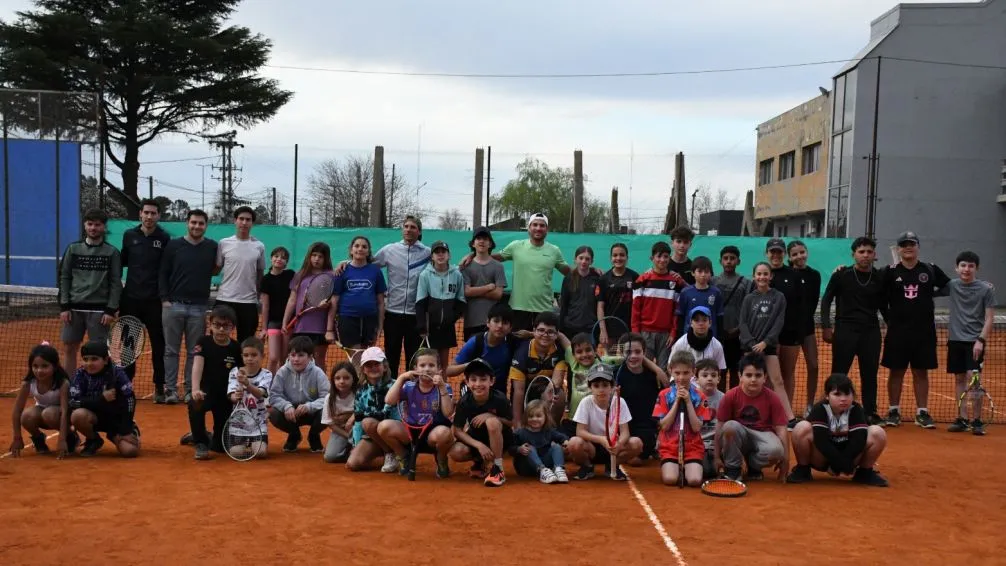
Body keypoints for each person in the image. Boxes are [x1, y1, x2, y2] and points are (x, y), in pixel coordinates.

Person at [880, 231, 950, 429]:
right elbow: (878, 295)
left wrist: (932, 294)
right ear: (899, 249)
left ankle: (922, 412)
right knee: (896, 372)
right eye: (904, 244)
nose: (908, 247)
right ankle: (893, 410)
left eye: (912, 243)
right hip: (897, 332)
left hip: (924, 332)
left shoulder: (930, 269)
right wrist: (888, 318)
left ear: (918, 246)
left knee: (921, 373)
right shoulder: (890, 271)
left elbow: (950, 286)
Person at [820, 237, 887, 426]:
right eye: (861, 251)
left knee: (870, 373)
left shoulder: (880, 277)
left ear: (874, 255)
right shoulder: (841, 275)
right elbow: (826, 300)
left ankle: (870, 412)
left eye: (869, 252)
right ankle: (832, 409)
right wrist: (826, 326)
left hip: (871, 332)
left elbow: (884, 305)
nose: (865, 255)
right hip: (845, 331)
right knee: (839, 373)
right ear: (853, 254)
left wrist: (892, 327)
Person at [786, 374, 889, 487]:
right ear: (827, 395)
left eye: (847, 394)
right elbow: (821, 441)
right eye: (837, 394)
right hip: (822, 459)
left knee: (877, 432)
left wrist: (844, 464)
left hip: (850, 458)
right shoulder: (820, 409)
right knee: (801, 427)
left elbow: (859, 440)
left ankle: (864, 473)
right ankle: (803, 470)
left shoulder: (856, 409)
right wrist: (838, 465)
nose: (843, 399)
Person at [159, 209, 218, 404]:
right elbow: (163, 273)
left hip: (199, 308)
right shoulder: (174, 245)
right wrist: (165, 300)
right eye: (194, 222)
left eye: (201, 223)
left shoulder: (212, 247)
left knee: (195, 351)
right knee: (171, 350)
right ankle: (170, 391)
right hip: (173, 305)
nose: (197, 226)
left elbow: (216, 268)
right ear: (187, 223)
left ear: (206, 226)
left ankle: (189, 389)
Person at [58, 208, 121, 373]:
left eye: (98, 225)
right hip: (73, 310)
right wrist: (64, 306)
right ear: (85, 226)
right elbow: (64, 277)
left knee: (99, 352)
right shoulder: (73, 249)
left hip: (100, 312)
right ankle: (70, 388)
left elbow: (115, 283)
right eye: (90, 224)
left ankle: (99, 389)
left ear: (104, 227)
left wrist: (110, 309)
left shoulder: (112, 252)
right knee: (70, 348)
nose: (93, 228)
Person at [119, 198, 170, 402]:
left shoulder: (164, 238)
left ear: (158, 216)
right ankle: (126, 384)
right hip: (130, 300)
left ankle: (159, 386)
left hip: (155, 302)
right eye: (146, 212)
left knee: (159, 345)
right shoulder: (129, 236)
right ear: (140, 214)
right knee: (128, 346)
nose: (149, 216)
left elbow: (166, 270)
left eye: (153, 213)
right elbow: (121, 263)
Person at [485, 213, 569, 332]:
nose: (538, 228)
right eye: (535, 225)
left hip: (544, 310)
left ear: (547, 229)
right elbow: (494, 258)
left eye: (542, 225)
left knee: (543, 347)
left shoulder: (554, 251)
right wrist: (473, 255)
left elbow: (569, 272)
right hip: (518, 308)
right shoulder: (516, 246)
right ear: (529, 228)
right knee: (517, 347)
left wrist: (590, 270)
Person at [380, 348, 455, 480]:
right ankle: (404, 457)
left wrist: (442, 387)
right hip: (410, 432)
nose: (427, 369)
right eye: (422, 365)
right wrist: (401, 378)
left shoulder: (445, 387)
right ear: (415, 368)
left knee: (445, 433)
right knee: (383, 427)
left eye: (431, 365)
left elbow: (448, 412)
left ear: (439, 370)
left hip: (433, 433)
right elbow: (389, 400)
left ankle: (441, 460)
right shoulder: (408, 386)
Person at [713, 352, 788, 482]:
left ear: (765, 377)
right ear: (740, 376)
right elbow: (719, 427)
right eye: (748, 375)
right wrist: (716, 457)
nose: (753, 379)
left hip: (763, 434)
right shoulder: (730, 396)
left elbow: (781, 429)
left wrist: (785, 460)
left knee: (776, 450)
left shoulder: (773, 397)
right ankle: (733, 469)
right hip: (739, 434)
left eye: (758, 375)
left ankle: (753, 466)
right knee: (730, 427)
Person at [370, 215, 431, 376]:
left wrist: (469, 257)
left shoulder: (428, 253)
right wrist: (346, 263)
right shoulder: (390, 250)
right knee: (391, 356)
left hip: (415, 316)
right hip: (392, 314)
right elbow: (366, 264)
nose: (408, 229)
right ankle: (392, 392)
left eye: (413, 227)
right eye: (406, 226)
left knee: (413, 358)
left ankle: (411, 392)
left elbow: (444, 266)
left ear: (419, 231)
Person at [739, 261, 796, 426]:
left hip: (768, 346)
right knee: (749, 381)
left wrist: (765, 342)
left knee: (777, 380)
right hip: (750, 347)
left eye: (765, 274)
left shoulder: (778, 297)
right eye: (759, 274)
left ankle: (790, 417)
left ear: (771, 276)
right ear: (754, 277)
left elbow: (779, 321)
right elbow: (743, 322)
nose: (762, 277)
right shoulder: (749, 298)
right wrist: (751, 343)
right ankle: (745, 414)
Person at [946, 251, 995, 435]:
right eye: (963, 265)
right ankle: (962, 418)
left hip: (975, 342)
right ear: (956, 268)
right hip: (955, 341)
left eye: (971, 266)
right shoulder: (952, 285)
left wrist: (980, 340)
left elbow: (990, 318)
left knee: (974, 381)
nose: (966, 269)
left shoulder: (986, 289)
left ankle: (976, 420)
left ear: (977, 268)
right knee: (959, 380)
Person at [566, 364, 642, 480]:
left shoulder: (619, 402)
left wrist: (619, 444)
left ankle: (612, 466)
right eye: (596, 386)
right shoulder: (586, 402)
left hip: (613, 446)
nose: (601, 390)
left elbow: (625, 432)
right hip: (592, 446)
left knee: (636, 443)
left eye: (605, 385)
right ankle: (587, 466)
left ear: (612, 386)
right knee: (574, 443)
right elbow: (580, 432)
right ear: (590, 387)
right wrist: (601, 439)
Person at [187, 305, 243, 460]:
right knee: (195, 403)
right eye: (217, 325)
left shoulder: (236, 348)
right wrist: (195, 389)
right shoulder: (203, 342)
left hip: (226, 397)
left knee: (220, 447)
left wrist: (237, 392)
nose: (221, 329)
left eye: (226, 326)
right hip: (206, 392)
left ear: (232, 327)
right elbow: (197, 366)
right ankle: (200, 442)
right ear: (210, 324)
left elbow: (241, 373)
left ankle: (201, 435)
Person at [448, 358, 514, 486]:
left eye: (483, 379)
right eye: (473, 379)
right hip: (478, 438)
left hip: (502, 441)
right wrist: (478, 445)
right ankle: (479, 462)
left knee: (492, 422)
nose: (478, 384)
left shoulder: (500, 399)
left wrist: (490, 415)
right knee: (456, 452)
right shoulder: (464, 401)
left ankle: (498, 468)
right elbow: (457, 430)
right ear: (467, 382)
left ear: (492, 381)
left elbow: (510, 423)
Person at [69, 341, 139, 458]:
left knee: (130, 451)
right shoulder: (80, 375)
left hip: (115, 420)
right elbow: (72, 402)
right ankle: (94, 440)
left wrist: (125, 429)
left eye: (94, 359)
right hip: (93, 418)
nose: (89, 363)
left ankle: (131, 430)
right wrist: (101, 399)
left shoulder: (117, 373)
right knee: (77, 415)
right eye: (85, 359)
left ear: (106, 360)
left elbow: (130, 399)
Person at [653, 350, 710, 487]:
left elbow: (697, 427)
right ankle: (678, 467)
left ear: (693, 372)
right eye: (677, 373)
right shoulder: (664, 395)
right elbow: (664, 426)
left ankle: (690, 467)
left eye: (686, 373)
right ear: (670, 370)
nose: (681, 377)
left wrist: (689, 401)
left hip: (692, 447)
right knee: (670, 479)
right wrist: (677, 401)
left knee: (695, 481)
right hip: (670, 446)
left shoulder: (700, 397)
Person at [8, 342, 74, 458]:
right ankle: (39, 439)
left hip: (60, 417)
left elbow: (65, 412)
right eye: (35, 366)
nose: (39, 370)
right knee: (26, 416)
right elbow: (17, 411)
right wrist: (17, 437)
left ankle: (71, 437)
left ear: (55, 366)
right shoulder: (27, 384)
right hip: (42, 413)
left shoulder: (63, 383)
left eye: (44, 366)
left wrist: (62, 439)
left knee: (48, 413)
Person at [555, 331, 625, 437]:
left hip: (596, 420)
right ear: (573, 355)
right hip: (575, 418)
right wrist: (531, 333)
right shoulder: (574, 362)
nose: (584, 355)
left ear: (595, 350)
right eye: (579, 352)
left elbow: (624, 360)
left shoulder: (602, 365)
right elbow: (561, 337)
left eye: (588, 350)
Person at [764, 238, 805, 419]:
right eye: (772, 251)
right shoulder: (762, 275)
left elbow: (800, 304)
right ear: (767, 254)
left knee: (787, 373)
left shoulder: (794, 275)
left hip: (789, 332)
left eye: (779, 251)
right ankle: (766, 410)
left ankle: (785, 412)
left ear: (784, 254)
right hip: (766, 334)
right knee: (768, 376)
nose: (775, 255)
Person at [268, 336, 330, 453]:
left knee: (328, 411)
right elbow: (274, 396)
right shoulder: (282, 372)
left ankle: (314, 435)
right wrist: (286, 406)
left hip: (313, 412)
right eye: (293, 355)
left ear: (310, 357)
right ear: (288, 356)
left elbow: (327, 397)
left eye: (301, 355)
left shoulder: (318, 373)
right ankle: (294, 434)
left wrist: (309, 406)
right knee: (273, 413)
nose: (296, 359)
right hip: (290, 413)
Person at [614, 332, 668, 464]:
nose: (633, 356)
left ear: (644, 353)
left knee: (635, 460)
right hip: (623, 427)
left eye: (638, 352)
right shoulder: (616, 375)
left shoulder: (654, 375)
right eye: (628, 352)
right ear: (622, 353)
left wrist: (657, 369)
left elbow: (666, 387)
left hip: (646, 429)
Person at [632, 241, 688, 369]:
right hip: (645, 333)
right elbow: (635, 310)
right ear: (652, 258)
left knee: (665, 369)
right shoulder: (642, 280)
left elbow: (676, 311)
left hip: (666, 335)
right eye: (659, 256)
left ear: (669, 258)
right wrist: (636, 334)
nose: (662, 260)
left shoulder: (675, 281)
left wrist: (673, 333)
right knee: (645, 368)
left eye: (666, 257)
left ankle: (663, 390)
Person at [214, 206, 266, 342]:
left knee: (246, 342)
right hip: (224, 300)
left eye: (248, 220)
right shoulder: (223, 243)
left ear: (252, 223)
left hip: (248, 302)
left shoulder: (259, 246)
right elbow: (217, 268)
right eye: (241, 219)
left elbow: (260, 272)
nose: (244, 222)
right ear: (235, 221)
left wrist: (259, 294)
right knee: (219, 339)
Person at [283, 242, 337, 369]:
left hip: (320, 327)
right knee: (299, 361)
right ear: (309, 256)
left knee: (319, 361)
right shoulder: (300, 275)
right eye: (314, 255)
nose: (316, 259)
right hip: (300, 327)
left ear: (326, 258)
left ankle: (322, 389)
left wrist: (327, 304)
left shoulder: (332, 276)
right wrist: (285, 321)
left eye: (320, 256)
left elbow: (334, 301)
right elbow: (292, 300)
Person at [508, 312, 568, 426]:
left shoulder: (559, 352)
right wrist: (517, 422)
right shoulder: (522, 353)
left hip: (545, 393)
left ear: (556, 335)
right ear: (534, 330)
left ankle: (551, 430)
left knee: (558, 395)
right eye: (541, 330)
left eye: (550, 332)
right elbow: (518, 391)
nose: (545, 335)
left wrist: (548, 395)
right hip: (525, 395)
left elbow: (556, 381)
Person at [346, 347, 400, 473]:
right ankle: (386, 452)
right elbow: (358, 422)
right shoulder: (361, 391)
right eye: (368, 365)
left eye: (377, 364)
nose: (373, 368)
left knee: (368, 422)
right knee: (352, 464)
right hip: (374, 435)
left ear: (385, 367)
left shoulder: (395, 386)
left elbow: (384, 414)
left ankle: (394, 453)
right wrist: (356, 444)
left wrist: (362, 416)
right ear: (363, 369)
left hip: (394, 433)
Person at [447, 303, 520, 395]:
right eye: (496, 321)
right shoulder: (475, 342)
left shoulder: (512, 342)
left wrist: (531, 334)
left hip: (498, 391)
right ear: (488, 322)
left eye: (505, 323)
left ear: (510, 327)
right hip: (474, 389)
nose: (500, 326)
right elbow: (449, 370)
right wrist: (470, 364)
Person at [415, 240, 466, 371]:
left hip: (447, 328)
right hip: (429, 329)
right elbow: (420, 302)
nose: (440, 255)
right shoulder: (425, 275)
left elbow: (461, 300)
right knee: (429, 364)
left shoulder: (457, 275)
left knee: (443, 366)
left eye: (443, 252)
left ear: (449, 255)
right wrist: (422, 326)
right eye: (437, 252)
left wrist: (452, 318)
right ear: (432, 256)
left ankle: (442, 391)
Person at [329, 236, 386, 349]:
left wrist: (380, 327)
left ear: (368, 252)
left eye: (364, 247)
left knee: (367, 356)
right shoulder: (342, 271)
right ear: (351, 250)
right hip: (347, 319)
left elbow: (380, 302)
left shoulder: (375, 271)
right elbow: (334, 301)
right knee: (355, 355)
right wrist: (329, 329)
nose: (360, 249)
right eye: (357, 246)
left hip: (370, 320)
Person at [788, 240, 822, 418]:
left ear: (806, 252)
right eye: (794, 254)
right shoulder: (787, 274)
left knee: (814, 366)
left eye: (801, 252)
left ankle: (810, 405)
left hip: (807, 328)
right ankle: (787, 408)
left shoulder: (815, 275)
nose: (799, 256)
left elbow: (813, 301)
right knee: (789, 370)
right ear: (789, 257)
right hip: (790, 330)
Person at [226, 336, 273, 459]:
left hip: (258, 424)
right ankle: (246, 444)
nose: (250, 358)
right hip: (238, 425)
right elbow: (231, 397)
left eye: (254, 355)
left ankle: (253, 444)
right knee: (236, 453)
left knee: (261, 453)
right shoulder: (234, 372)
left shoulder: (266, 374)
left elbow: (260, 393)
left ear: (262, 356)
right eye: (246, 355)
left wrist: (247, 384)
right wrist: (236, 396)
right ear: (242, 356)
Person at [461, 226, 506, 341]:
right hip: (471, 321)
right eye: (478, 238)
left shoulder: (498, 266)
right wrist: (489, 287)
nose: (482, 241)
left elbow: (498, 294)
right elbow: (467, 292)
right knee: (472, 357)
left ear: (490, 244)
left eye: (485, 239)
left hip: (493, 323)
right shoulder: (465, 266)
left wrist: (475, 291)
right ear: (473, 244)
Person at [511, 399, 570, 484]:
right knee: (529, 447)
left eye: (538, 416)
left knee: (556, 447)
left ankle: (559, 469)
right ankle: (542, 470)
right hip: (526, 467)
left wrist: (565, 441)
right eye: (531, 416)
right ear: (526, 417)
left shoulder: (548, 431)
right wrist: (519, 449)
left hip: (547, 465)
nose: (534, 419)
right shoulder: (520, 432)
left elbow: (561, 437)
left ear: (545, 416)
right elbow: (510, 448)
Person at [714, 245, 747, 391]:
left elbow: (747, 309)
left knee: (735, 370)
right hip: (718, 334)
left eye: (732, 258)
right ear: (720, 261)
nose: (728, 261)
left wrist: (739, 328)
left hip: (737, 335)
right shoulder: (713, 281)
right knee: (720, 370)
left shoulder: (746, 283)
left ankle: (733, 400)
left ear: (738, 261)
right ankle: (721, 402)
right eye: (725, 258)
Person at [259, 246, 295, 374]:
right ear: (271, 258)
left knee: (284, 358)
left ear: (286, 262)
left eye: (283, 257)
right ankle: (268, 386)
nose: (279, 259)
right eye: (276, 256)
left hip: (290, 323)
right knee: (273, 357)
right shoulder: (265, 279)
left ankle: (281, 386)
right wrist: (264, 328)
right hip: (273, 322)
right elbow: (265, 306)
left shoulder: (291, 275)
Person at [596, 243, 638, 344]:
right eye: (615, 255)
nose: (618, 258)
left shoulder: (635, 277)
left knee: (629, 359)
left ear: (627, 257)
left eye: (622, 255)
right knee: (609, 359)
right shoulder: (603, 279)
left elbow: (639, 306)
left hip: (629, 331)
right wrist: (603, 331)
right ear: (611, 258)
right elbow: (600, 307)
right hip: (609, 332)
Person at [675, 256, 724, 338]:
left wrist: (720, 339)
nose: (703, 275)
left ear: (711, 273)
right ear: (693, 273)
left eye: (706, 272)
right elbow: (681, 317)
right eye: (700, 271)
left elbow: (719, 317)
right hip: (688, 337)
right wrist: (679, 337)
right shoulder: (685, 292)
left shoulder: (716, 292)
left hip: (710, 337)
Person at [559, 245, 600, 339]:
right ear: (575, 259)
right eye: (581, 258)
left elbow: (600, 304)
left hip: (591, 328)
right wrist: (560, 328)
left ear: (591, 261)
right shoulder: (568, 279)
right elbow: (564, 305)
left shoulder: (597, 278)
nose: (584, 261)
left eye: (587, 259)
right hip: (570, 328)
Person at [671, 306, 727, 373]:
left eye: (704, 320)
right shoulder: (681, 343)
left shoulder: (717, 345)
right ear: (691, 323)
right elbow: (670, 366)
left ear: (710, 323)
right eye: (696, 320)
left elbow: (719, 369)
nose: (700, 323)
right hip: (684, 382)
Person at [321, 361, 357, 463]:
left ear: (353, 379)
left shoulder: (358, 394)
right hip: (340, 431)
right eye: (337, 378)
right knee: (330, 457)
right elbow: (330, 424)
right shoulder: (329, 398)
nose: (341, 381)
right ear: (333, 380)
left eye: (346, 378)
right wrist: (348, 437)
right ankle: (347, 450)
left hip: (358, 429)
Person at [694, 358, 724, 478]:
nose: (709, 378)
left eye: (713, 375)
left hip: (717, 446)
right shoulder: (691, 398)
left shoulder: (724, 399)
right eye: (704, 375)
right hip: (698, 445)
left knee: (712, 472)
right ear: (696, 379)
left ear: (719, 379)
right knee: (706, 472)